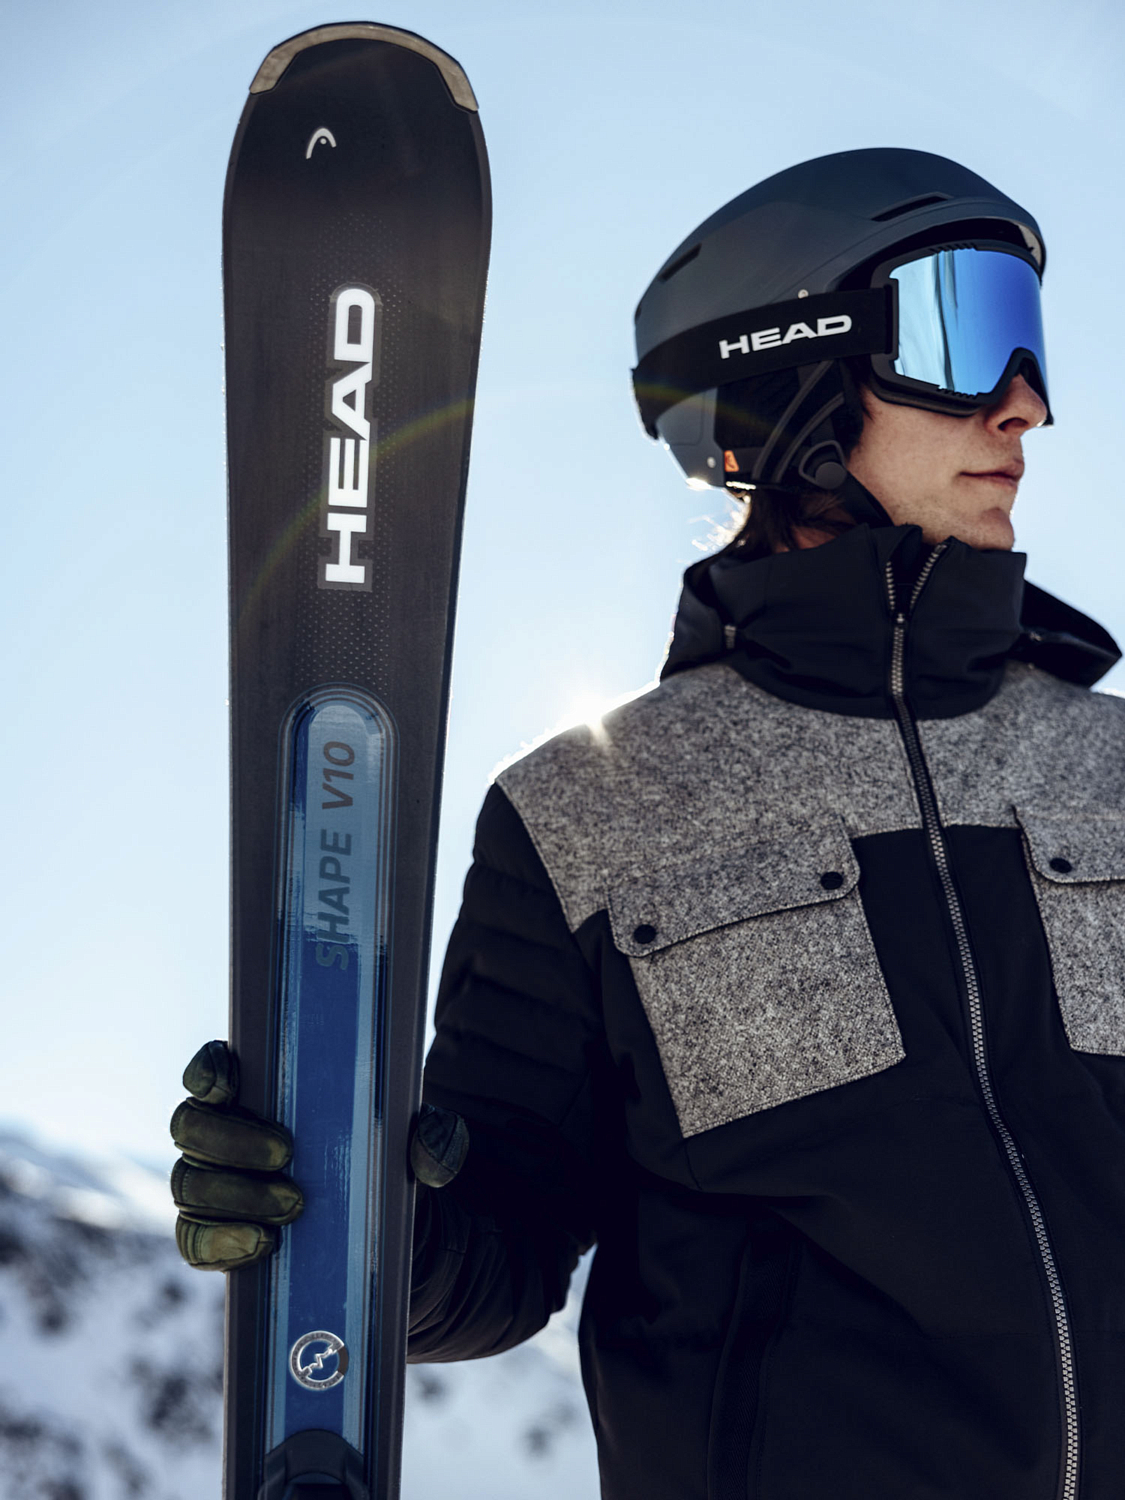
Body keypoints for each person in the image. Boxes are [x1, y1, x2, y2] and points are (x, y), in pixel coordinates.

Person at [171, 148, 1125, 1498]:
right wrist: (349, 1218)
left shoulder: (1109, 767)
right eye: (963, 330)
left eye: (1028, 340)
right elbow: (499, 1255)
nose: (1025, 403)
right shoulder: (592, 815)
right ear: (793, 377)